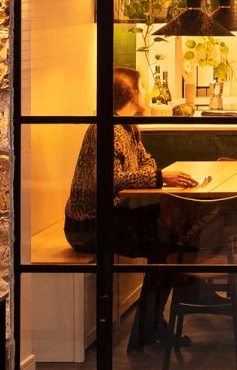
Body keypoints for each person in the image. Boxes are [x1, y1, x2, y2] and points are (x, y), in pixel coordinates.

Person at [63, 67, 198, 254]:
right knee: (168, 231)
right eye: (141, 87)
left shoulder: (128, 127)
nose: (144, 91)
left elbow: (148, 162)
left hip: (111, 217)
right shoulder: (106, 129)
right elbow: (111, 179)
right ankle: (171, 281)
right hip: (88, 226)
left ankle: (168, 281)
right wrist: (161, 177)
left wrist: (154, 175)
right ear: (131, 94)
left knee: (172, 223)